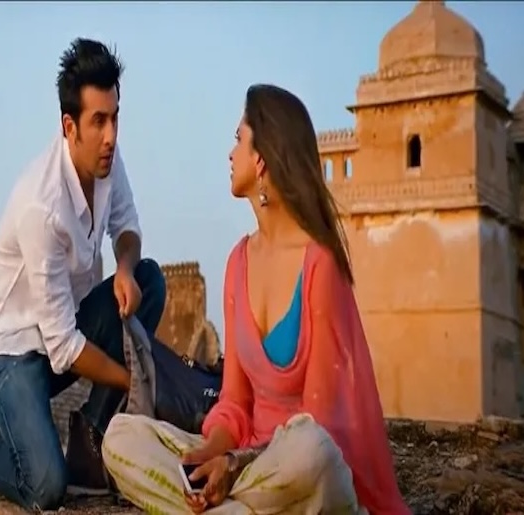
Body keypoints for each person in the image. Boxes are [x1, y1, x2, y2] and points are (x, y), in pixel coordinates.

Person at [102, 84, 410, 514]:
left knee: (311, 450)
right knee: (121, 437)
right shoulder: (238, 262)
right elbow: (234, 402)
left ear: (261, 158)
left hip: (297, 470)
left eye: (238, 140)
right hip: (248, 470)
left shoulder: (319, 264)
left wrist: (235, 463)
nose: (231, 155)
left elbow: (320, 423)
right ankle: (223, 505)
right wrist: (210, 452)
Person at [0, 38, 167, 511]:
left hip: (63, 330)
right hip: (11, 352)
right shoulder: (42, 206)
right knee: (46, 485)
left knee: (150, 281)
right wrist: (134, 382)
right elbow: (65, 348)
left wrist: (125, 269)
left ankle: (90, 438)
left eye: (115, 118)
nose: (111, 135)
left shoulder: (107, 159)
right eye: (99, 121)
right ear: (70, 126)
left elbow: (127, 226)